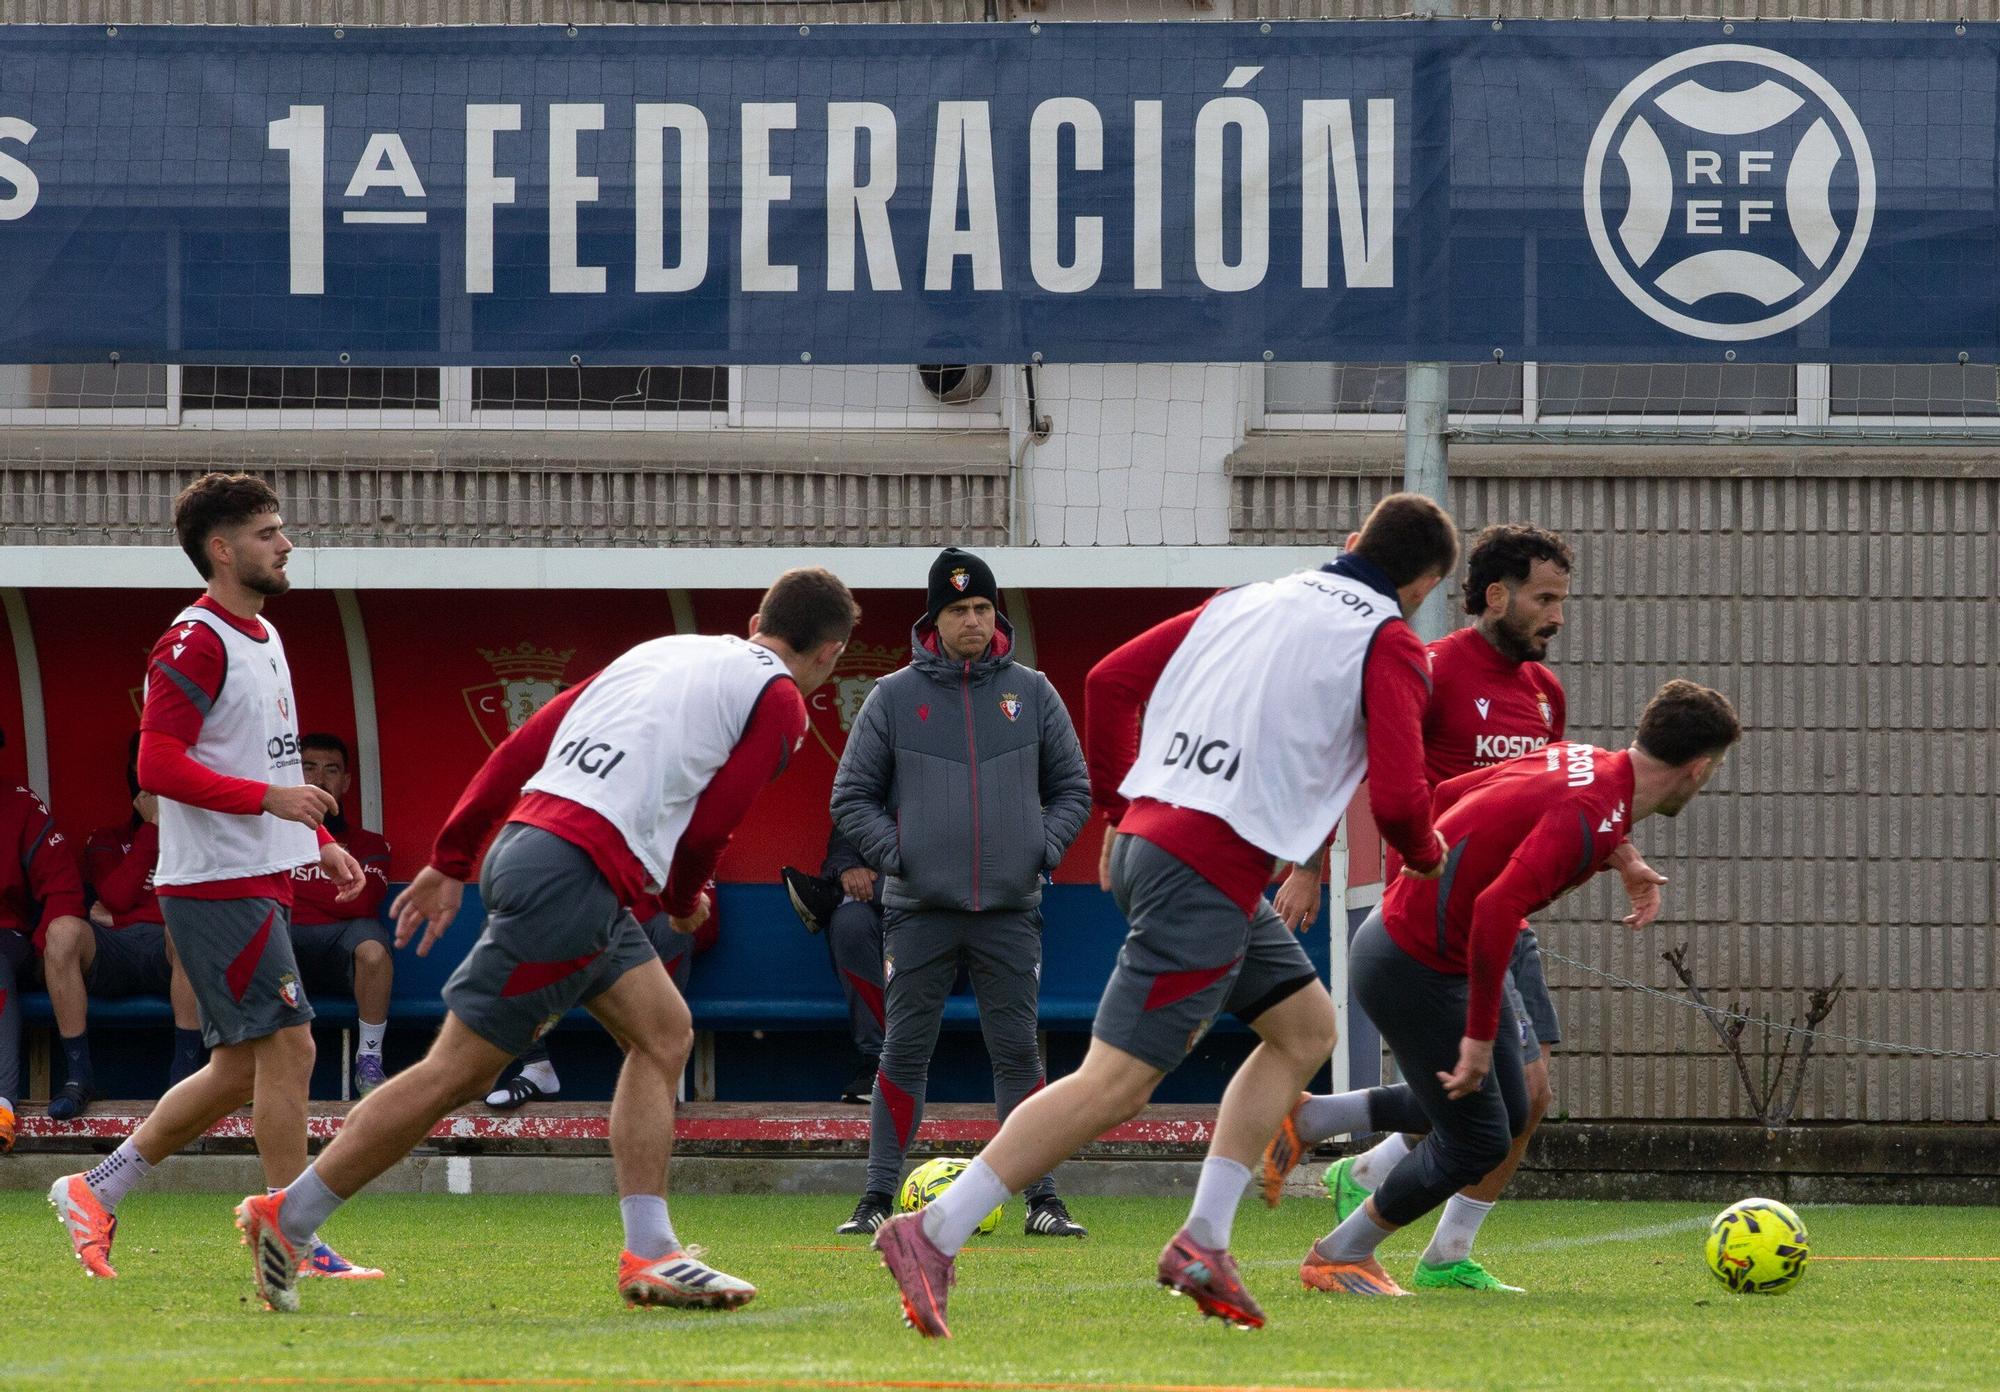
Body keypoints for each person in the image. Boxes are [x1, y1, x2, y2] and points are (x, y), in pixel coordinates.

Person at [872, 494, 1457, 1337]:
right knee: (1114, 1084)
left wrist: (1118, 807)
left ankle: (1205, 1239)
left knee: (1304, 1029)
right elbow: (1401, 801)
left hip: (1163, 840)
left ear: (1352, 542)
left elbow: (1109, 682)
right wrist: (1431, 859)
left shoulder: (1250, 595)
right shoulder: (1391, 640)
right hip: (1207, 867)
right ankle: (932, 1231)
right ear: (1426, 583)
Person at [234, 567, 859, 1315]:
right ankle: (289, 1217)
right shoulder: (781, 699)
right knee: (455, 1073)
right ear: (830, 656)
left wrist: (453, 857)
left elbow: (522, 745)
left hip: (540, 850)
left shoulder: (661, 651)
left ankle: (652, 1251)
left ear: (756, 616)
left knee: (664, 1033)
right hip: (576, 875)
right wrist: (685, 901)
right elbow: (715, 820)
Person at [1267, 524, 1667, 1291]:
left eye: (1562, 600)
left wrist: (1624, 856)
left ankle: (1337, 1137)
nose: (1557, 616)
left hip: (1504, 917)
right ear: (1496, 595)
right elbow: (1353, 763)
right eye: (1544, 599)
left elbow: (1559, 796)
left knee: (1510, 1093)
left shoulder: (1545, 693)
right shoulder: (1431, 670)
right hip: (1437, 919)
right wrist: (1309, 867)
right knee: (1508, 1092)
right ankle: (1425, 1240)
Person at [1261, 680, 1739, 1296]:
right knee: (1479, 1138)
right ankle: (1338, 1255)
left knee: (1510, 1111)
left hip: (1410, 942)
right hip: (1415, 962)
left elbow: (1457, 792)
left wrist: (1622, 862)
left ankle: (1317, 1114)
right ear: (1698, 769)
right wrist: (1480, 1039)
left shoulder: (1590, 764)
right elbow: (1493, 912)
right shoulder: (1593, 812)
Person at [47, 472, 376, 1284]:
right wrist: (275, 799)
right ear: (223, 550)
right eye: (269, 532)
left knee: (241, 1067)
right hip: (214, 882)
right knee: (292, 1046)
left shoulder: (263, 635)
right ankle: (288, 1227)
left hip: (257, 872)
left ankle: (97, 1190)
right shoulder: (194, 640)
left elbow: (262, 762)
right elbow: (158, 764)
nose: (287, 543)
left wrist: (317, 836)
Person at [830, 548, 1092, 1239]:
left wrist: (1043, 848)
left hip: (1011, 910)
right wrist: (899, 858)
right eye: (957, 610)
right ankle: (876, 1198)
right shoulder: (892, 697)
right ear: (934, 620)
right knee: (903, 1053)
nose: (972, 620)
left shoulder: (1032, 692)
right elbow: (850, 798)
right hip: (919, 912)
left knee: (1018, 1056)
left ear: (994, 612)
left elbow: (1074, 790)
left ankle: (1044, 1199)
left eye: (981, 608)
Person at [46, 735, 207, 1119]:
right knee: (61, 931)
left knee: (187, 927)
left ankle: (184, 1078)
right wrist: (152, 829)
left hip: (171, 954)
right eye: (143, 764)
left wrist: (120, 918)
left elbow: (196, 907)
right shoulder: (107, 838)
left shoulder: (201, 837)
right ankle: (78, 1075)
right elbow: (116, 894)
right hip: (112, 954)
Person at [483, 894, 706, 1109]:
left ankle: (655, 1075)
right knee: (504, 926)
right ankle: (537, 1068)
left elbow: (704, 925)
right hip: (571, 954)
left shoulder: (683, 855)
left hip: (636, 969)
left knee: (674, 929)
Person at [288, 734, 394, 1095]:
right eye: (309, 767)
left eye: (331, 770)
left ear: (346, 782)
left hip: (341, 952)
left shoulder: (368, 843)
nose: (319, 779)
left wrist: (293, 891)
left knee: (373, 948)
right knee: (254, 934)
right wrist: (334, 891)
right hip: (287, 951)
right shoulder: (271, 840)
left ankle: (370, 1060)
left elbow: (363, 903)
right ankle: (257, 1066)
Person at [1, 769, 90, 1151]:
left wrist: (43, 953)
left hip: (7, 935)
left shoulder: (18, 802)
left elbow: (64, 892)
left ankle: (2, 1105)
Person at [781, 825, 886, 1105]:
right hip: (883, 928)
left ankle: (833, 895)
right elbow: (846, 835)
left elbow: (949, 879)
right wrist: (847, 870)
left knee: (937, 900)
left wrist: (867, 887)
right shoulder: (877, 784)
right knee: (850, 922)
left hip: (946, 930)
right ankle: (878, 1061)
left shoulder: (964, 793)